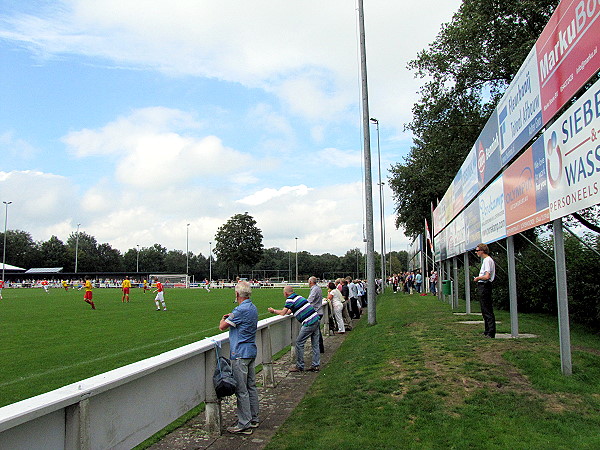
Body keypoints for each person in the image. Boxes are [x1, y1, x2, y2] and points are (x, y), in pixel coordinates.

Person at [219, 281, 259, 435]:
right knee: (251, 386)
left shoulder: (239, 310)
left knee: (241, 390)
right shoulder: (253, 308)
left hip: (239, 353)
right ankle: (254, 418)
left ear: (237, 294)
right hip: (251, 351)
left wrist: (224, 318)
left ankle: (244, 423)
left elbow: (222, 326)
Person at [268, 286, 320, 372]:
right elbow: (290, 311)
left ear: (285, 293)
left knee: (299, 343)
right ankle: (316, 365)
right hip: (316, 319)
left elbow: (283, 313)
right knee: (315, 344)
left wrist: (273, 311)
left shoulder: (290, 299)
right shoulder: (299, 297)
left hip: (309, 322)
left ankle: (300, 366)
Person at [474, 243, 496, 338]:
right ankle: (487, 330)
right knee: (484, 309)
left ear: (482, 251)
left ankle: (491, 332)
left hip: (485, 285)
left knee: (487, 309)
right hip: (484, 285)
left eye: (477, 250)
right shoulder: (487, 260)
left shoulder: (487, 260)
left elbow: (487, 276)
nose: (476, 252)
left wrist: (478, 278)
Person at [306, 276, 325, 353]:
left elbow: (310, 300)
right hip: (318, 311)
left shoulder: (315, 289)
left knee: (316, 332)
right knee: (316, 331)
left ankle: (319, 348)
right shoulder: (317, 288)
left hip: (316, 312)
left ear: (311, 282)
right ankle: (319, 348)